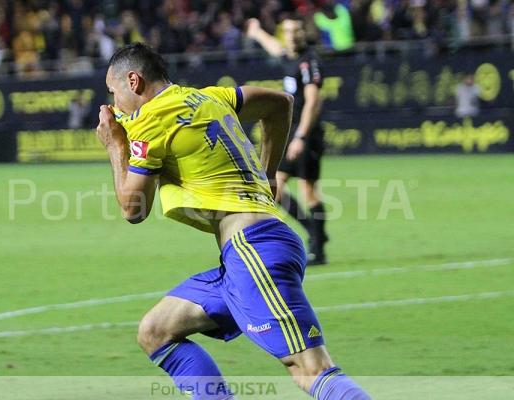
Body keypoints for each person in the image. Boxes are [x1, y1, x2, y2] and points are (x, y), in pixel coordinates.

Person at [96, 43, 369, 400]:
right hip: (248, 252)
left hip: (254, 250)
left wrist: (115, 145)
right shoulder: (209, 98)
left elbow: (133, 209)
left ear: (133, 81)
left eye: (113, 93)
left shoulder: (151, 118)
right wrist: (267, 174)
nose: (114, 105)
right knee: (155, 331)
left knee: (311, 371)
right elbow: (280, 104)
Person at [246, 16, 329, 265]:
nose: (293, 35)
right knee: (275, 188)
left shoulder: (309, 61)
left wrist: (301, 136)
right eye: (289, 31)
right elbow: (275, 47)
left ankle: (319, 247)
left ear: (304, 32)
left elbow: (313, 101)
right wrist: (257, 31)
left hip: (306, 133)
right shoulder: (289, 57)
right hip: (290, 132)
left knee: (308, 190)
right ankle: (315, 234)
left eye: (297, 30)